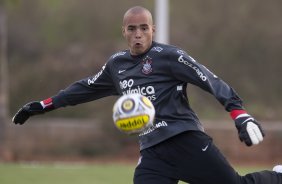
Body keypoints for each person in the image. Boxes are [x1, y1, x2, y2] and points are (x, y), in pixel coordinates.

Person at [13, 6, 281, 184]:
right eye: (132, 29)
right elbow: (84, 88)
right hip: (152, 152)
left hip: (186, 140)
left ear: (153, 30)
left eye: (144, 28)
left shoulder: (170, 57)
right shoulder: (116, 65)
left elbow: (210, 80)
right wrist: (44, 105)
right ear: (124, 32)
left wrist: (239, 113)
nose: (138, 34)